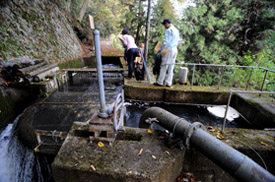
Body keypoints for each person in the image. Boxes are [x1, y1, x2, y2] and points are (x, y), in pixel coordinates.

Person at [154, 18, 179, 87]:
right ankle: (169, 83)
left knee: (164, 65)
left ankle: (160, 82)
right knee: (171, 66)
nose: (164, 26)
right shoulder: (176, 30)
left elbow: (166, 42)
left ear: (167, 23)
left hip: (169, 49)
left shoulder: (168, 30)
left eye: (164, 24)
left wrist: (161, 49)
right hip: (175, 49)